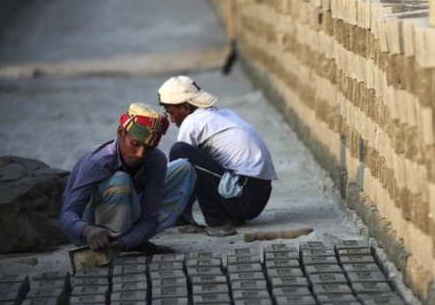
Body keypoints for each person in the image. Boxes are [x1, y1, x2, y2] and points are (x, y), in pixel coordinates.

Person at [58, 102, 196, 254]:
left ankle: (129, 241)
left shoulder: (155, 160)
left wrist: (124, 244)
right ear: (120, 132)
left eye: (148, 148)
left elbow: (149, 219)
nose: (140, 154)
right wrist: (88, 230)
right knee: (120, 180)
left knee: (184, 168)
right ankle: (105, 248)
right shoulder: (97, 162)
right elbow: (66, 216)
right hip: (90, 235)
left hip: (126, 223)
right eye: (135, 144)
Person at [158, 75, 277, 237]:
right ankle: (224, 215)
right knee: (195, 163)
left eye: (171, 112)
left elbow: (182, 172)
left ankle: (218, 222)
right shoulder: (220, 114)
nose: (171, 120)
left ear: (185, 107)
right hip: (257, 195)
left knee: (180, 152)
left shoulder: (191, 123)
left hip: (246, 196)